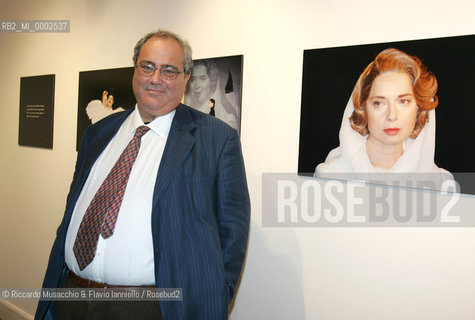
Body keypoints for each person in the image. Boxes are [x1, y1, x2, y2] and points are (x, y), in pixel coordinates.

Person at [35, 29, 250, 320]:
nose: (155, 78)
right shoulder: (98, 133)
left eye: (169, 70)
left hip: (149, 308)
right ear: (135, 69)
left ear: (185, 78)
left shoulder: (216, 139)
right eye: (147, 66)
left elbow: (232, 233)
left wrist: (210, 299)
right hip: (72, 295)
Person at [314, 48, 452, 188]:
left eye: (403, 101)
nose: (392, 115)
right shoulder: (333, 176)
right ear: (363, 108)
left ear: (418, 108)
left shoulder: (440, 183)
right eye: (379, 103)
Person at [185, 60, 240, 131]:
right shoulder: (183, 111)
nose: (197, 85)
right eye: (193, 79)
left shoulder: (227, 119)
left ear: (211, 82)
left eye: (203, 79)